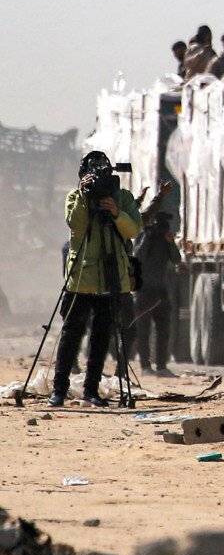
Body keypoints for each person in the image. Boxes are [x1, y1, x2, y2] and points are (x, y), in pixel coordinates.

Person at [51, 152, 142, 406]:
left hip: (110, 277)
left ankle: (91, 390)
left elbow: (133, 229)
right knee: (71, 335)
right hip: (81, 278)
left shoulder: (122, 198)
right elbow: (75, 224)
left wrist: (116, 212)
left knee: (101, 337)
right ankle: (59, 389)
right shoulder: (75, 197)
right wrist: (83, 196)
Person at [131, 182, 180, 375]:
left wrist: (170, 243)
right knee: (143, 331)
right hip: (144, 291)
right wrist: (147, 237)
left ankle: (161, 365)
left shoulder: (165, 241)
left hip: (160, 290)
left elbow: (176, 259)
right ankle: (145, 366)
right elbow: (138, 256)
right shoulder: (144, 235)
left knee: (163, 330)